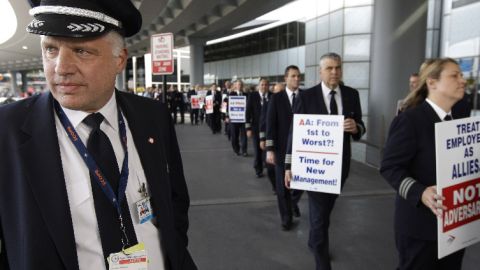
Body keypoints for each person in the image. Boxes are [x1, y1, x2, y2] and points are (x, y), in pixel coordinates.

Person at [0, 0, 196, 269]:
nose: (61, 68)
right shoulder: (6, 130)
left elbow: (175, 200)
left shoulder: (152, 116)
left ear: (120, 60)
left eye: (81, 51)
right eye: (51, 50)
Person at [380, 58, 467, 270]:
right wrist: (420, 192)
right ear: (432, 82)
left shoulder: (459, 119)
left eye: (461, 75)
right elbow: (389, 167)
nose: (462, 80)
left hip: (454, 227)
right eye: (454, 75)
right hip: (420, 228)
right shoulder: (410, 120)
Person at [284, 53, 366, 270]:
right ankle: (322, 263)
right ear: (320, 72)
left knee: (325, 213)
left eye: (338, 68)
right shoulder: (307, 97)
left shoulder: (351, 94)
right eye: (329, 68)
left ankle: (314, 239)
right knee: (320, 217)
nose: (334, 72)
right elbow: (295, 132)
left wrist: (356, 128)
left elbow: (360, 125)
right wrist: (288, 165)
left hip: (340, 169)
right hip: (313, 170)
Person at [266, 65, 304, 231]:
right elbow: (270, 123)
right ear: (286, 79)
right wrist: (270, 149)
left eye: (298, 76)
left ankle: (292, 203)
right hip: (281, 149)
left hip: (302, 149)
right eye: (293, 76)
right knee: (282, 187)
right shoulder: (277, 98)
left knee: (300, 184)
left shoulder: (306, 97)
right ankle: (286, 218)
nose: (297, 79)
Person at [246, 78, 274, 180]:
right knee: (257, 150)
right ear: (259, 85)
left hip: (269, 128)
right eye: (262, 84)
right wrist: (248, 128)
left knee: (266, 149)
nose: (264, 86)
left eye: (266, 85)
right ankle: (258, 169)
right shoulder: (252, 96)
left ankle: (266, 164)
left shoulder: (272, 96)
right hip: (255, 128)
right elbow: (247, 112)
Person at [227, 80, 248, 156]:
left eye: (241, 84)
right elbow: (228, 106)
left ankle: (244, 150)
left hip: (243, 119)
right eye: (238, 84)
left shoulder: (246, 94)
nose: (240, 86)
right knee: (234, 136)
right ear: (235, 86)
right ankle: (236, 149)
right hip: (234, 118)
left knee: (244, 136)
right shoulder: (231, 94)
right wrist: (227, 116)